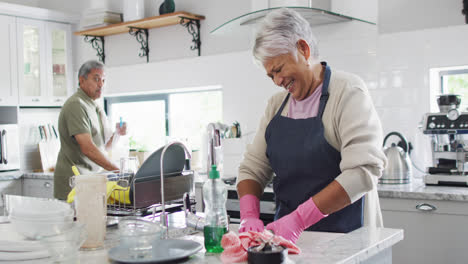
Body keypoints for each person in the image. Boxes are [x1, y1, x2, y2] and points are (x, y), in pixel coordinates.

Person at [236, 8, 387, 243]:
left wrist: (299, 220)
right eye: (270, 76)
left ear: (303, 50)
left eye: (279, 70)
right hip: (285, 242)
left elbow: (362, 172)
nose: (277, 81)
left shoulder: (347, 92)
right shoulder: (276, 105)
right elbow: (251, 169)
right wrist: (248, 215)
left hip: (346, 237)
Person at [54, 60, 127, 200]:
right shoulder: (77, 105)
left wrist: (117, 133)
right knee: (76, 222)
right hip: (74, 182)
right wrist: (118, 170)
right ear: (82, 80)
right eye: (96, 79)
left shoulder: (94, 105)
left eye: (103, 80)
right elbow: (88, 148)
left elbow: (103, 147)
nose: (101, 84)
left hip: (90, 181)